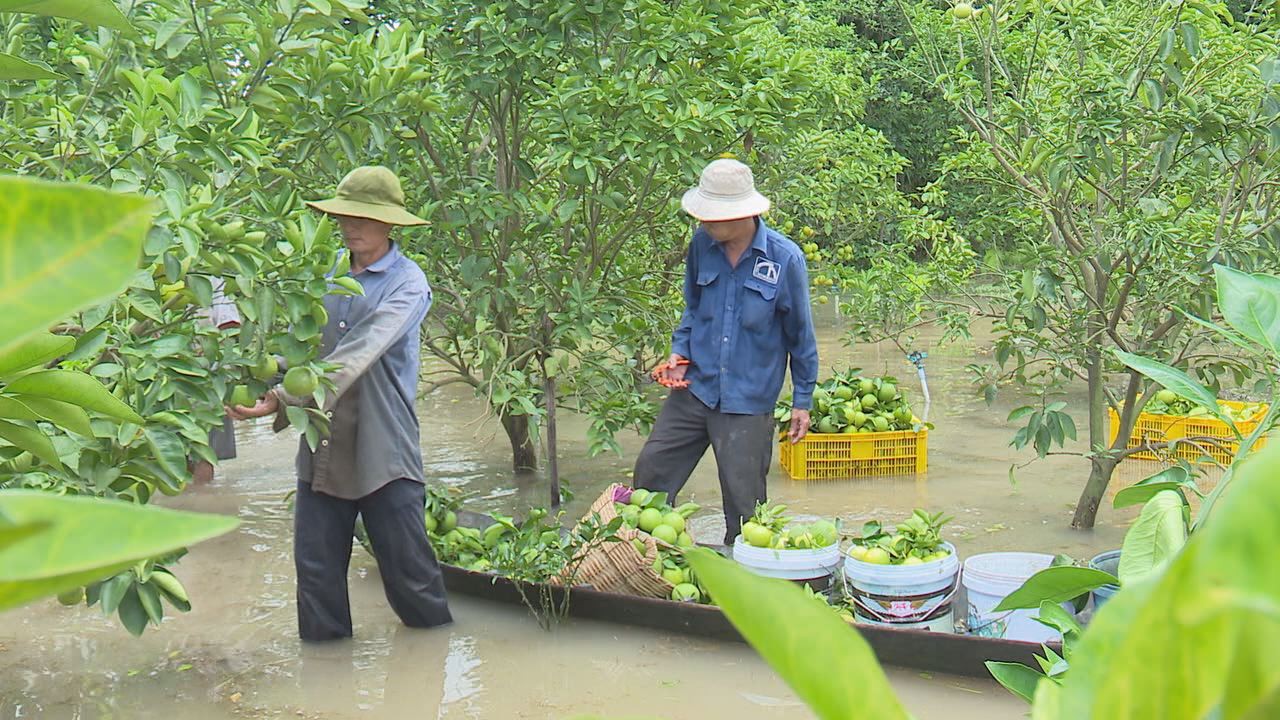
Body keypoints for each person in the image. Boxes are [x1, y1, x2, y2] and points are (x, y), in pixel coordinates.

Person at [227, 166, 452, 641]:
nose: (351, 226)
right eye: (344, 215)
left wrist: (281, 400)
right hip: (322, 449)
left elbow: (355, 357)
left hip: (383, 450)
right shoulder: (321, 272)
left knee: (411, 581)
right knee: (316, 583)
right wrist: (252, 373)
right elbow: (294, 346)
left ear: (390, 224)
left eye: (364, 218)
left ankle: (430, 674)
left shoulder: (408, 284)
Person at [634, 158, 818, 545]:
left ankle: (741, 579)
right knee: (650, 476)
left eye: (712, 217)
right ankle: (644, 561)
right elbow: (693, 308)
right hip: (695, 388)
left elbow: (801, 336)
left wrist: (802, 401)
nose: (703, 223)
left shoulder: (784, 259)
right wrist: (679, 353)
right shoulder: (703, 245)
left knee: (746, 509)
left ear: (744, 214)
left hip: (747, 402)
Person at [191, 278, 240, 485]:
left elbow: (230, 329)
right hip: (163, 375)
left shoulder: (210, 278)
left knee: (202, 451)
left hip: (206, 379)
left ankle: (199, 504)